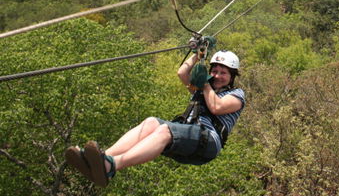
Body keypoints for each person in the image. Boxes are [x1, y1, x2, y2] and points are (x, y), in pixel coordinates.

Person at [65, 50, 245, 188]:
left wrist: (204, 83)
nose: (218, 76)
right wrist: (197, 55)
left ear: (232, 77)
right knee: (151, 121)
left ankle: (113, 165)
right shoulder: (202, 90)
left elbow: (217, 107)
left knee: (165, 130)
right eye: (215, 71)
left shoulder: (236, 95)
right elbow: (182, 73)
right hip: (190, 135)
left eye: (223, 73)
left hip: (209, 141)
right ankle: (102, 159)